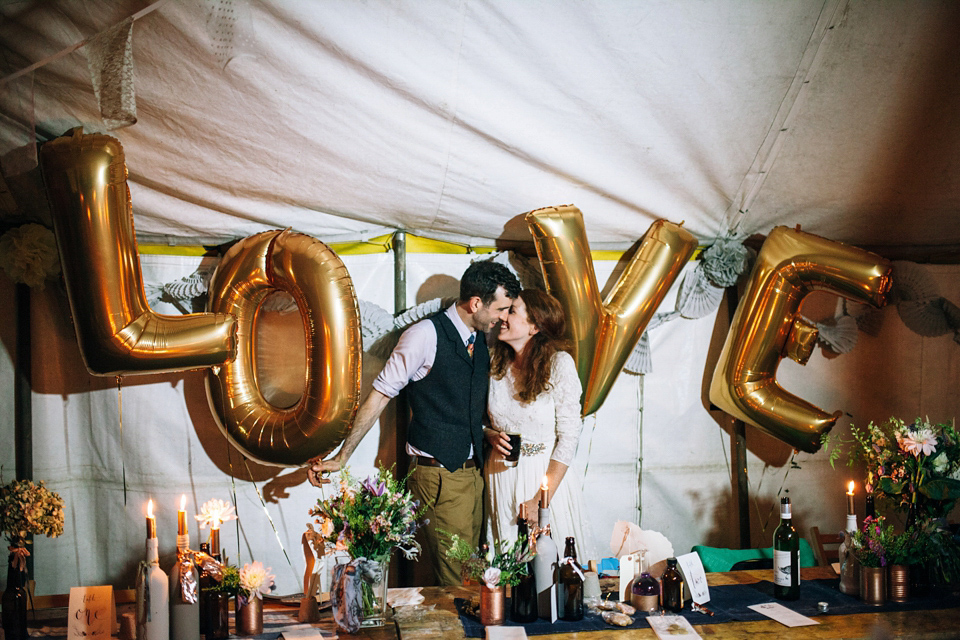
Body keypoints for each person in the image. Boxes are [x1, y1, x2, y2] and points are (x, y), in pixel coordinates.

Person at [308, 258, 521, 586]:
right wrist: (343, 455)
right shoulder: (424, 335)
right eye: (502, 309)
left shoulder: (478, 337)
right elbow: (380, 393)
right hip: (439, 476)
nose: (504, 318)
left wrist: (486, 433)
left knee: (475, 575)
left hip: (473, 476)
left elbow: (458, 405)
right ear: (476, 303)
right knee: (459, 584)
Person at [484, 289, 595, 559]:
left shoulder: (559, 365)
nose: (503, 317)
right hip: (500, 474)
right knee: (507, 572)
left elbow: (569, 438)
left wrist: (539, 501)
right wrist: (488, 435)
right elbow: (479, 420)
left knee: (550, 569)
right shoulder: (492, 362)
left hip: (542, 479)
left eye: (512, 311)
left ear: (534, 326)